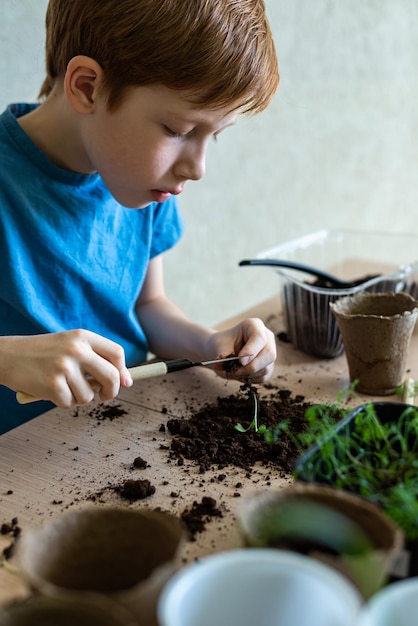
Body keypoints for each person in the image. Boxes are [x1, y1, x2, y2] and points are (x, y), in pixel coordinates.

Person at [0, 0, 279, 435]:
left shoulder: (145, 183)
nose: (197, 168)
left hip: (121, 435)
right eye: (178, 132)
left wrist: (210, 344)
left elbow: (148, 306)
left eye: (214, 137)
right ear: (88, 87)